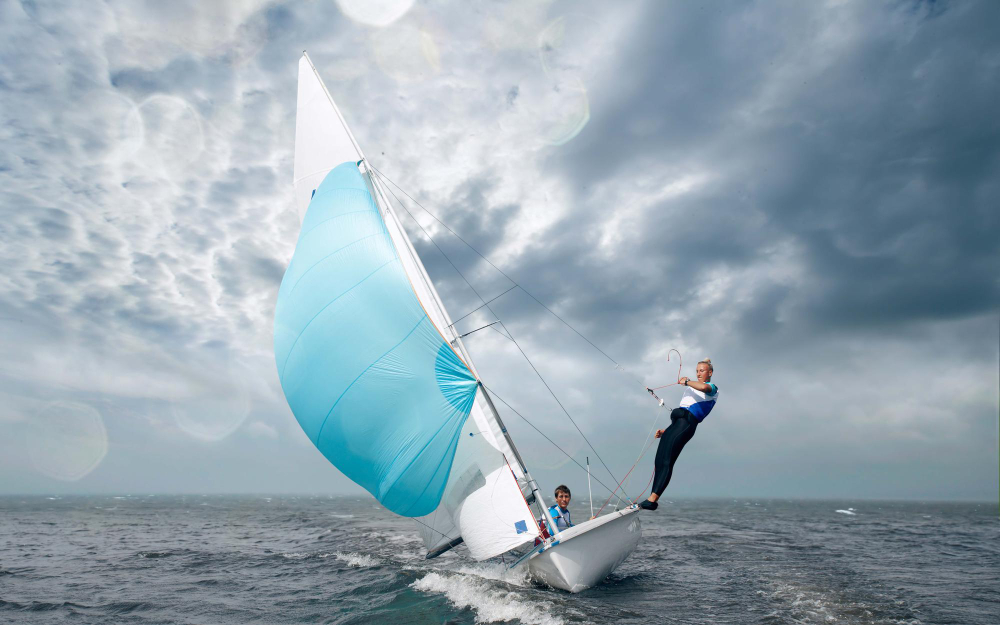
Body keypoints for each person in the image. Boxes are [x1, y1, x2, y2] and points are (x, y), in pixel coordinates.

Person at [639, 358, 718, 511]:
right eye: (697, 371)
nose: (698, 373)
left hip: (687, 424)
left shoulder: (712, 388)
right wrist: (666, 431)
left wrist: (687, 381)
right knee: (659, 460)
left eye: (702, 370)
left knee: (668, 460)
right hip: (676, 425)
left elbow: (704, 388)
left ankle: (653, 499)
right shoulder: (692, 388)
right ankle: (651, 498)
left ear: (710, 373)